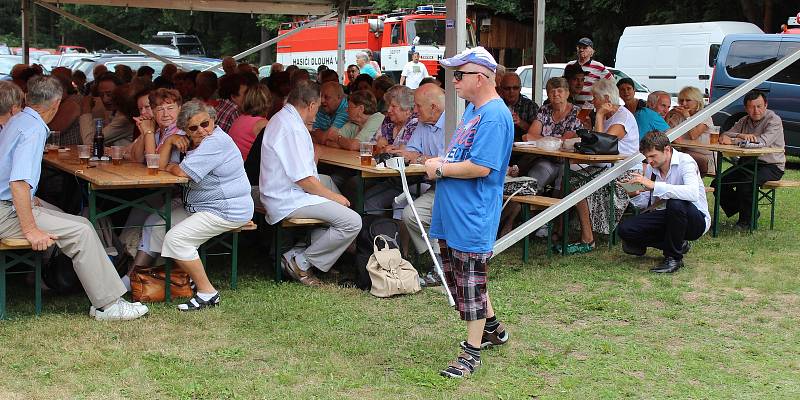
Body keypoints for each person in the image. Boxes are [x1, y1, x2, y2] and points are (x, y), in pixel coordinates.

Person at [0, 76, 148, 320]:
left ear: (27, 98)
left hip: (7, 205)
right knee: (81, 231)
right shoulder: (34, 129)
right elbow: (18, 182)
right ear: (57, 103)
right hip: (5, 211)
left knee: (77, 222)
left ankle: (65, 284)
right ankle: (108, 305)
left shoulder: (19, 120)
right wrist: (31, 229)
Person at [429, 47, 512, 379]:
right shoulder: (474, 110)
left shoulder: (494, 115)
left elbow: (480, 167)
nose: (455, 81)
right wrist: (442, 166)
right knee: (465, 279)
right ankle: (493, 329)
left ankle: (471, 353)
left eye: (459, 75)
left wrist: (440, 169)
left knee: (470, 283)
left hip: (472, 214)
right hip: (455, 212)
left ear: (480, 78)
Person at [260, 81, 361, 286]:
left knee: (331, 184)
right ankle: (301, 262)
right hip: (287, 197)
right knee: (352, 221)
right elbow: (304, 180)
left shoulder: (282, 118)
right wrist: (335, 198)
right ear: (312, 105)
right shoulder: (293, 128)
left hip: (281, 191)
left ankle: (296, 254)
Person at [157, 100, 254, 310]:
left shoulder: (215, 142)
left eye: (205, 124)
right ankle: (147, 278)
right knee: (157, 224)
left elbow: (181, 172)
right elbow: (160, 165)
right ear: (185, 130)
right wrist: (170, 141)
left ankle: (207, 292)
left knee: (176, 239)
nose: (202, 131)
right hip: (203, 206)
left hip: (226, 209)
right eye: (194, 127)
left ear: (214, 120)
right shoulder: (192, 142)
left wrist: (175, 166)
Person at [561, 78, 640, 254]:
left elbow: (602, 147)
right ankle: (560, 231)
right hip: (609, 168)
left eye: (595, 98)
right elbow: (598, 143)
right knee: (567, 177)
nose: (592, 102)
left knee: (577, 184)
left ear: (605, 98)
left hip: (628, 173)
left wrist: (598, 116)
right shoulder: (611, 115)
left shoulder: (623, 117)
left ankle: (588, 239)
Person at [500, 77, 583, 237]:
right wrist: (553, 141)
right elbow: (528, 136)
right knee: (529, 183)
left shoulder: (575, 112)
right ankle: (514, 225)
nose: (555, 94)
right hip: (546, 160)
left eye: (559, 91)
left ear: (567, 93)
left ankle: (556, 228)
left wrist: (545, 140)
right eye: (552, 91)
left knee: (562, 183)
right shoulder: (544, 110)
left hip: (567, 162)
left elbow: (566, 143)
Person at [618, 131, 710, 273]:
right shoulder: (651, 167)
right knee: (625, 228)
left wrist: (654, 186)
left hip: (695, 219)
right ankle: (678, 243)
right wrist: (634, 193)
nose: (649, 161)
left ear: (667, 149)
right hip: (666, 215)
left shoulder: (686, 162)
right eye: (647, 157)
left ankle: (673, 258)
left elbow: (693, 194)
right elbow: (646, 203)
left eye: (653, 156)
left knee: (676, 203)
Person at [714, 90, 785, 229]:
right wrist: (741, 135)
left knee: (746, 183)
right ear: (746, 108)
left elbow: (762, 142)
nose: (756, 110)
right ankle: (748, 211)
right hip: (748, 163)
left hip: (771, 165)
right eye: (751, 107)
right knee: (718, 183)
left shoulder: (773, 120)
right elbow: (725, 134)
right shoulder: (744, 120)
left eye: (759, 106)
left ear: (766, 105)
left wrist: (734, 141)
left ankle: (746, 222)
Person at [402, 83, 446, 285]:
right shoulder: (422, 123)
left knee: (437, 216)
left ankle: (443, 265)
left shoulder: (454, 123)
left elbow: (448, 162)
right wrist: (426, 158)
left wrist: (421, 158)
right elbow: (409, 152)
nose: (414, 110)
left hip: (458, 187)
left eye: (418, 106)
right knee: (411, 215)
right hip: (438, 186)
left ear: (434, 107)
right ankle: (439, 262)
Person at [78, 72, 135, 146]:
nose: (105, 99)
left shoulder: (125, 118)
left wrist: (86, 109)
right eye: (101, 95)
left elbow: (89, 142)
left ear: (121, 91)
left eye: (109, 94)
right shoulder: (116, 112)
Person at [670, 86, 715, 176]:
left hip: (705, 156)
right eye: (681, 100)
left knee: (676, 156)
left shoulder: (704, 115)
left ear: (697, 101)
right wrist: (669, 115)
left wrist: (687, 117)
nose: (684, 103)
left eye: (688, 100)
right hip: (684, 152)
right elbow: (667, 133)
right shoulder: (679, 115)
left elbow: (694, 135)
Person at [228, 84, 271, 160]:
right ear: (268, 101)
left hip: (234, 163)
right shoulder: (262, 124)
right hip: (247, 167)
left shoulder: (239, 119)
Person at [567, 37, 613, 107]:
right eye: (579, 47)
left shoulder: (598, 66)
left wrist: (600, 97)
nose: (581, 50)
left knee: (585, 118)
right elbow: (564, 84)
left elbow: (612, 83)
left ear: (592, 51)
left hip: (588, 108)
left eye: (585, 48)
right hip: (570, 105)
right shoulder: (570, 65)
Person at [373, 85, 418, 151]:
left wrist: (383, 149)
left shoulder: (415, 123)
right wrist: (378, 146)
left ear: (407, 109)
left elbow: (405, 152)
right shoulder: (388, 121)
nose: (388, 110)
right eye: (388, 105)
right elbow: (373, 145)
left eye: (393, 106)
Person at [498, 72, 538, 142]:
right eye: (507, 88)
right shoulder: (496, 105)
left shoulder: (530, 106)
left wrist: (521, 123)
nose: (511, 91)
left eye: (515, 88)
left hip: (523, 150)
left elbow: (537, 134)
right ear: (501, 89)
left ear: (520, 89)